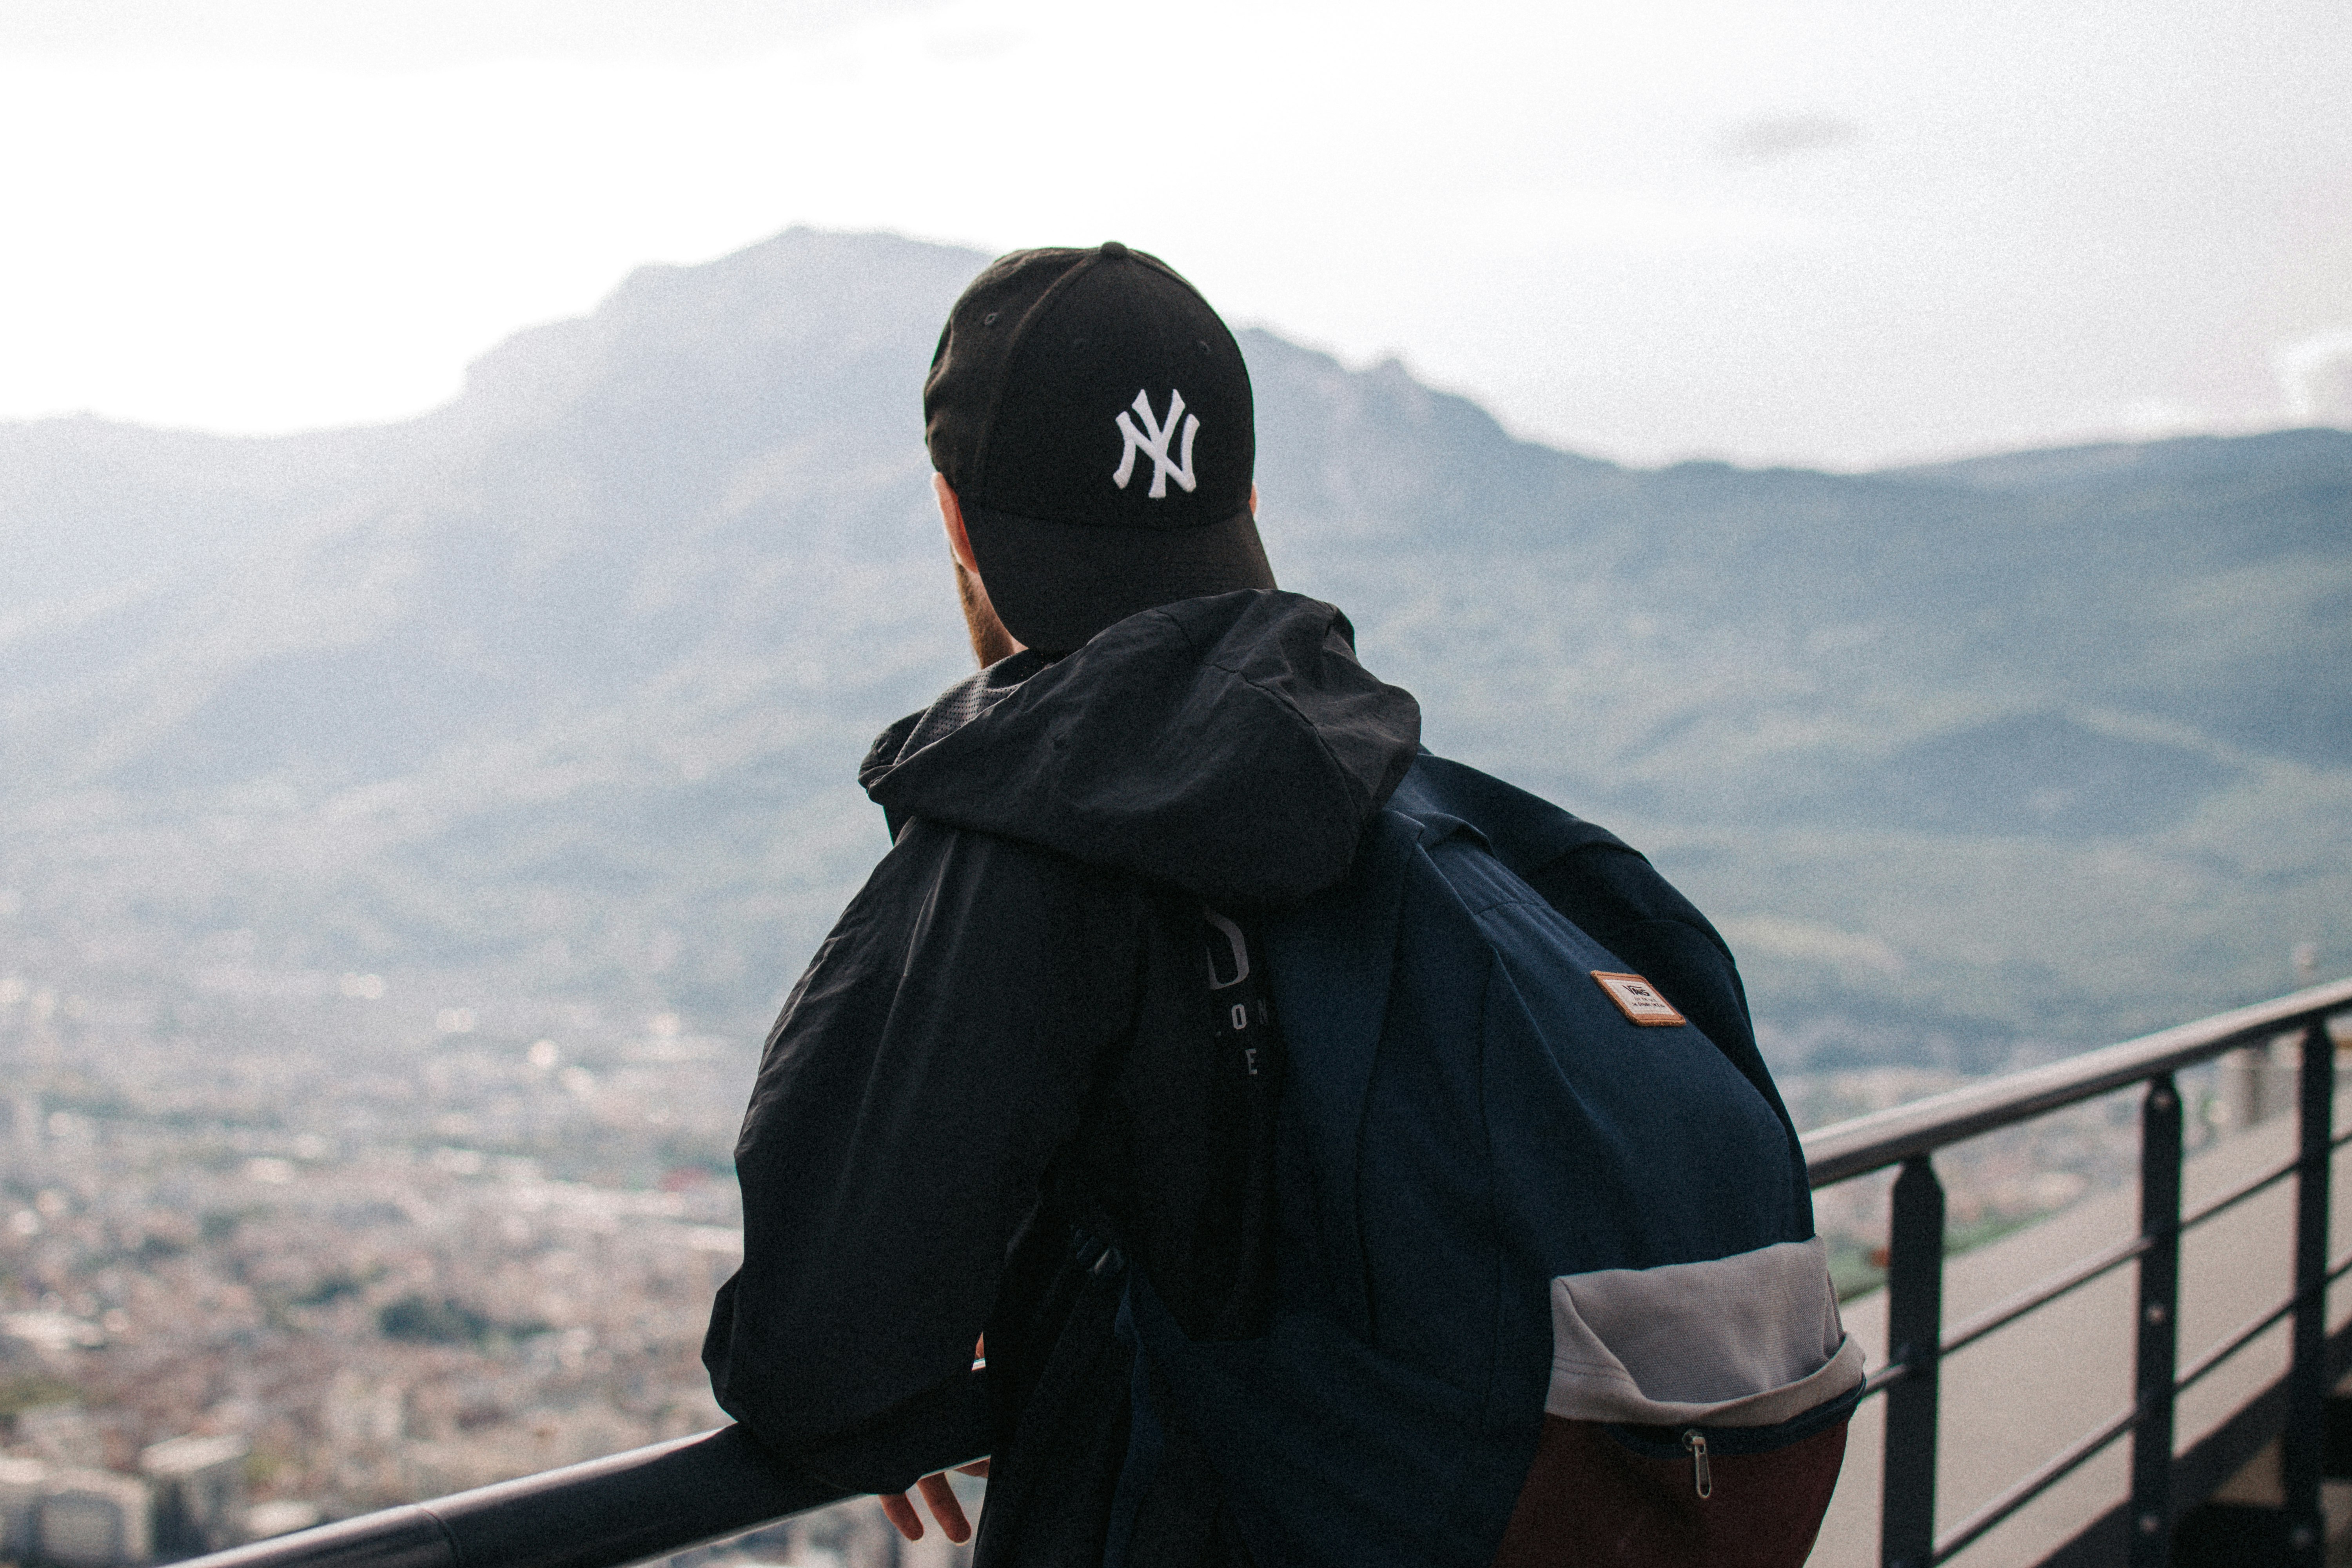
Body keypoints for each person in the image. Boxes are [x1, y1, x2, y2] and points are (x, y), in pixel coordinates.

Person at [702, 243, 1857, 1568]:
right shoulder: (1454, 813)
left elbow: (815, 1357)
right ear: (1244, 497)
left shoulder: (1039, 823)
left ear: (958, 523)